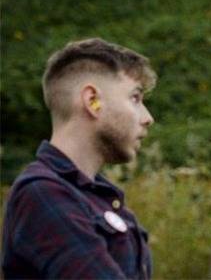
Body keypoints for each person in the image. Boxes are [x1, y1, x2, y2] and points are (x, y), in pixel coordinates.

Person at [2, 38, 157, 279]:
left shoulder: (101, 199)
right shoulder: (42, 193)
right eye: (135, 98)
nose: (148, 118)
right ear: (92, 101)